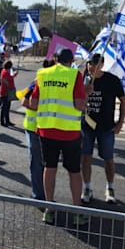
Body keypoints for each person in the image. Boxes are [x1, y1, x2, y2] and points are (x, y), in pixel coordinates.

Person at [29, 49, 88, 225]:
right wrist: (86, 96)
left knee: (50, 168)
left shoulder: (43, 74)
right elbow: (79, 105)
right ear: (71, 61)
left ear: (55, 59)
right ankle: (77, 212)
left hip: (46, 130)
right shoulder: (74, 75)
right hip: (69, 132)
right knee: (74, 171)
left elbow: (33, 103)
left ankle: (49, 209)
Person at [81, 54, 125, 204]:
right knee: (86, 157)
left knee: (108, 158)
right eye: (89, 63)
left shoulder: (112, 80)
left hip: (106, 127)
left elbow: (123, 100)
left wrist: (120, 122)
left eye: (94, 63)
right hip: (86, 126)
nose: (91, 66)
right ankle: (87, 188)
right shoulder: (83, 79)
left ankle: (110, 187)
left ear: (102, 64)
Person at [20, 80, 45, 201]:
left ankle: (44, 193)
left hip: (47, 128)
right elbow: (24, 101)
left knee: (45, 164)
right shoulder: (37, 83)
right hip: (33, 128)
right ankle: (39, 195)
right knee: (37, 163)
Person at [0, 61, 18, 127]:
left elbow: (10, 78)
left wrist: (14, 75)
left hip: (8, 92)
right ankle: (2, 121)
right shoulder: (5, 72)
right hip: (5, 92)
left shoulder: (7, 72)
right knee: (4, 107)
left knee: (7, 107)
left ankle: (7, 120)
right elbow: (3, 79)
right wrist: (8, 85)